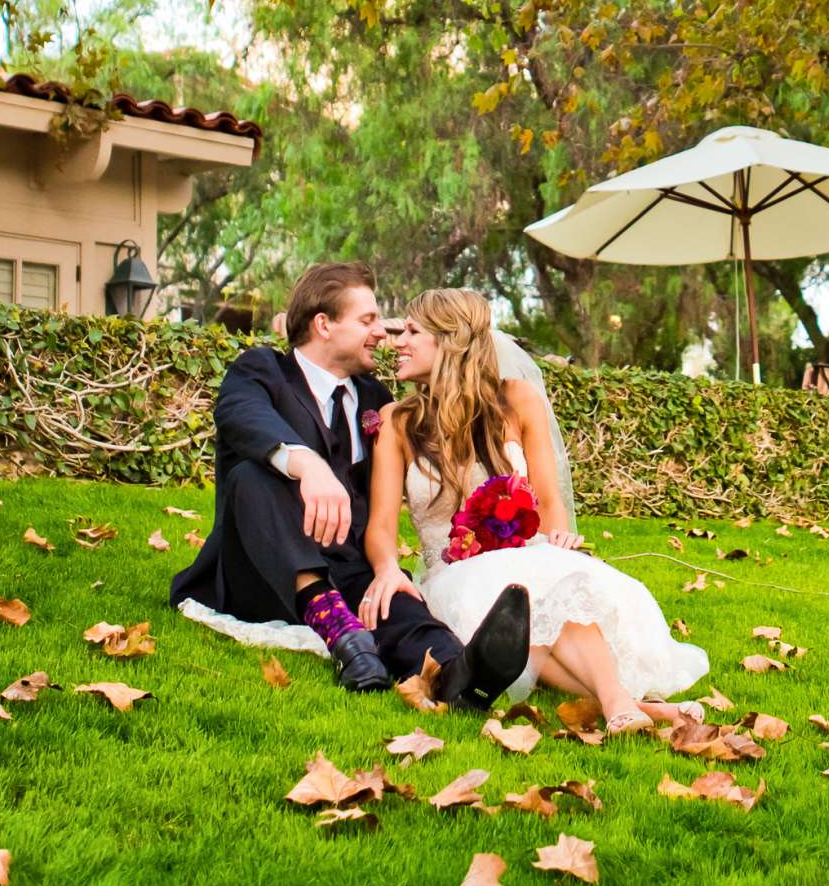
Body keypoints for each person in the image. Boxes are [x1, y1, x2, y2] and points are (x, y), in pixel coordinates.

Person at [171, 261, 530, 704]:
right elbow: (241, 416)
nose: (383, 333)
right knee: (252, 473)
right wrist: (308, 465)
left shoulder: (379, 401)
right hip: (262, 572)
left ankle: (460, 674)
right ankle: (341, 631)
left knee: (396, 600)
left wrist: (390, 570)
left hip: (348, 567)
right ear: (323, 324)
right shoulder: (262, 371)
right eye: (368, 320)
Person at [361, 287, 708, 737]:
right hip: (452, 572)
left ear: (450, 340)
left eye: (411, 331)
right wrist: (388, 569)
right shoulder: (398, 421)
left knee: (549, 581)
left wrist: (559, 540)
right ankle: (625, 702)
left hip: (527, 551)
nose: (396, 341)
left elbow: (548, 499)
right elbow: (381, 525)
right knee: (515, 600)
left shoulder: (518, 399)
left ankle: (617, 701)